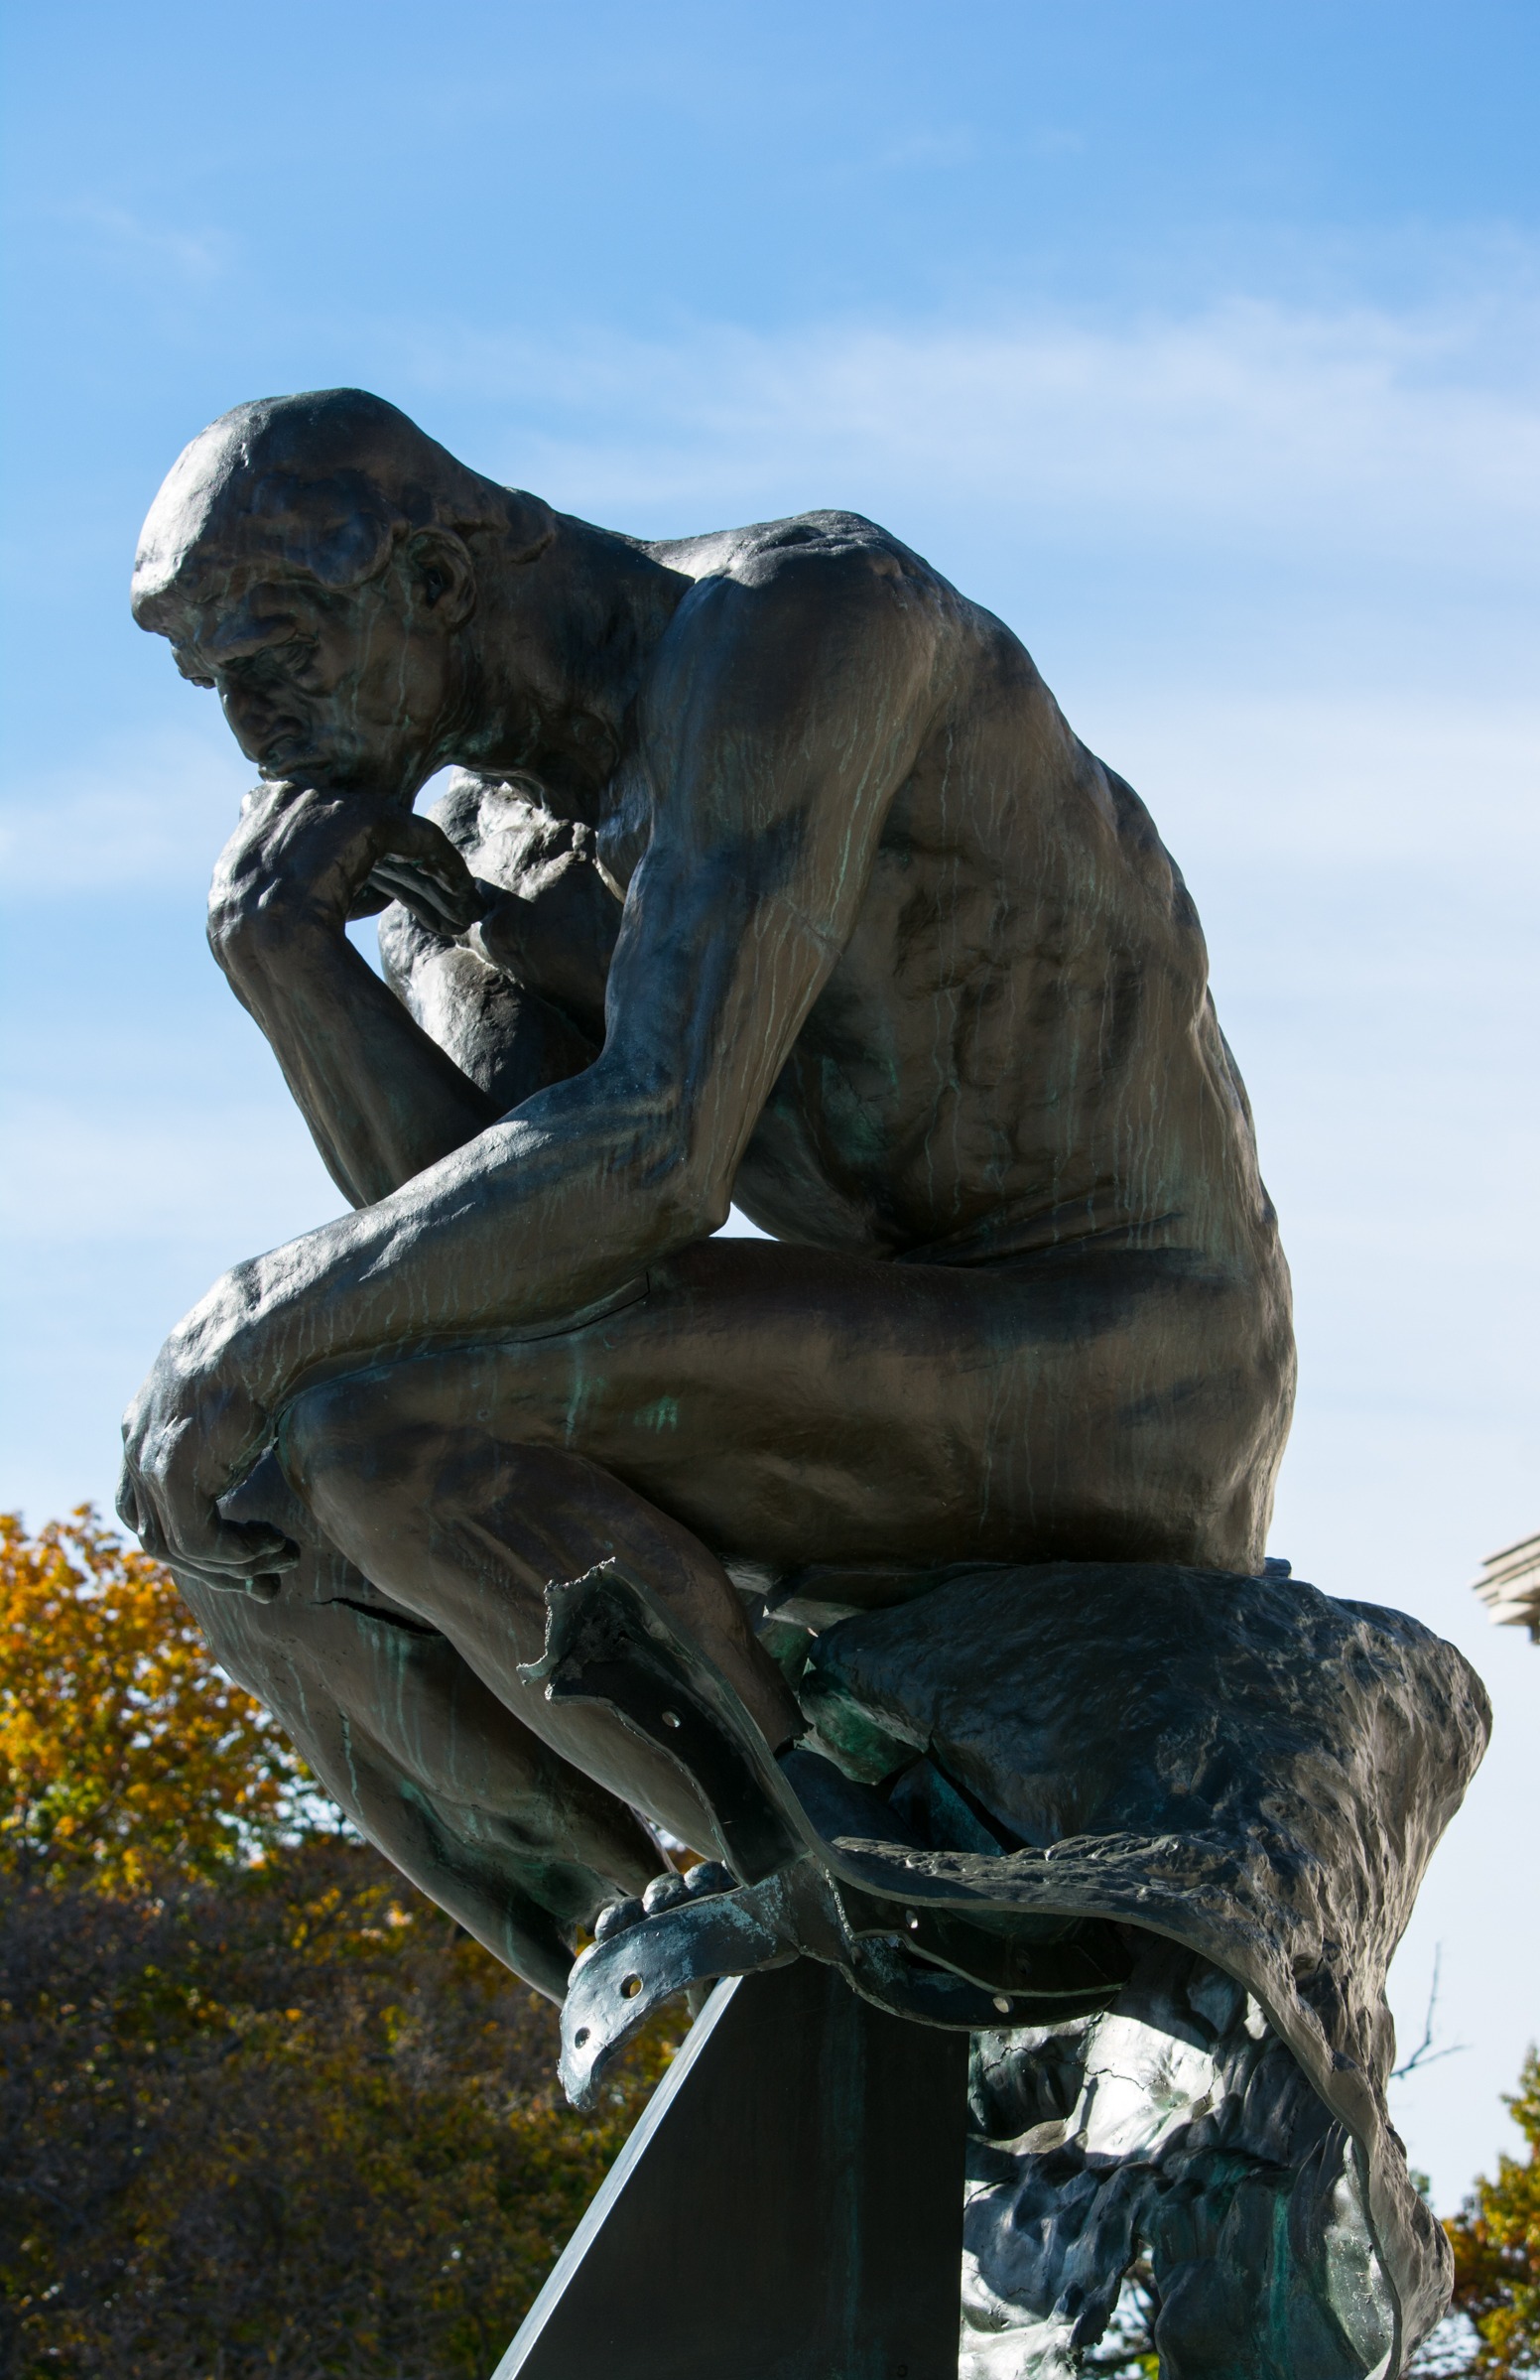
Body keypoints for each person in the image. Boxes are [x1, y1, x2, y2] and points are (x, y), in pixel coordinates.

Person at [119, 388, 1294, 1998]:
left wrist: (241, 1330)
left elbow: (655, 1157)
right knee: (234, 1503)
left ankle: (873, 1906)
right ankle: (663, 1909)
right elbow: (496, 1253)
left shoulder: (800, 627)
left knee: (359, 1424)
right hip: (880, 1384)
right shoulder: (482, 846)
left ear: (439, 585)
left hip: (1128, 1358)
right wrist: (294, 972)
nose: (250, 733)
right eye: (214, 687)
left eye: (278, 655)